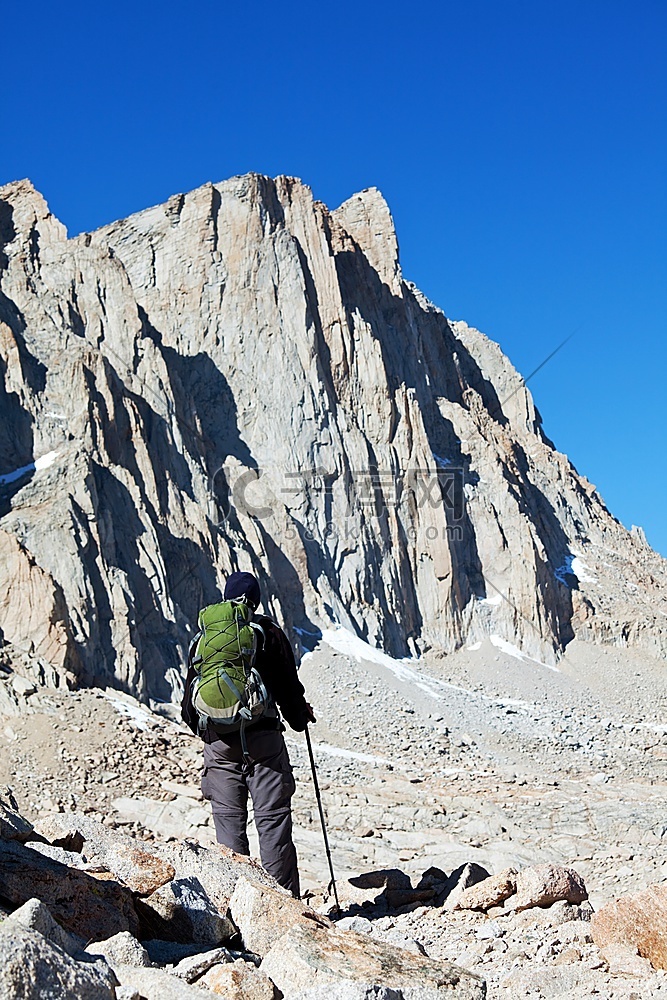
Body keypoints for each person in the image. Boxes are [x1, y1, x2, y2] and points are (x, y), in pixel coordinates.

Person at [181, 571, 315, 897]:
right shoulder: (267, 633)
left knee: (228, 826)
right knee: (272, 824)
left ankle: (236, 908)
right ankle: (285, 908)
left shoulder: (205, 638)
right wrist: (300, 717)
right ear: (256, 600)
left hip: (218, 744)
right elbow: (288, 688)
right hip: (264, 742)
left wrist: (216, 732)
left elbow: (188, 705)